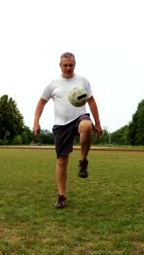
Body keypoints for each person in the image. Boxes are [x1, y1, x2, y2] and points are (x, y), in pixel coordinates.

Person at [33, 52, 102, 209]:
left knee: (86, 125)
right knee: (62, 161)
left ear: (75, 65)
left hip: (80, 117)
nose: (68, 68)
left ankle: (83, 161)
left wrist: (97, 123)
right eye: (65, 65)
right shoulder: (53, 83)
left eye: (71, 65)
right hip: (61, 124)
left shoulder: (83, 81)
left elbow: (91, 101)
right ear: (60, 66)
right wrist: (36, 122)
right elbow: (41, 103)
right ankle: (61, 196)